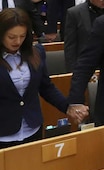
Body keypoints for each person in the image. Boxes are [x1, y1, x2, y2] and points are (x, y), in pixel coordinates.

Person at [0, 9, 75, 148]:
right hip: (3, 135)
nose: (17, 41)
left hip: (32, 129)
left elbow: (46, 87)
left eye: (22, 36)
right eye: (12, 37)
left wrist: (67, 107)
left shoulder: (36, 52)